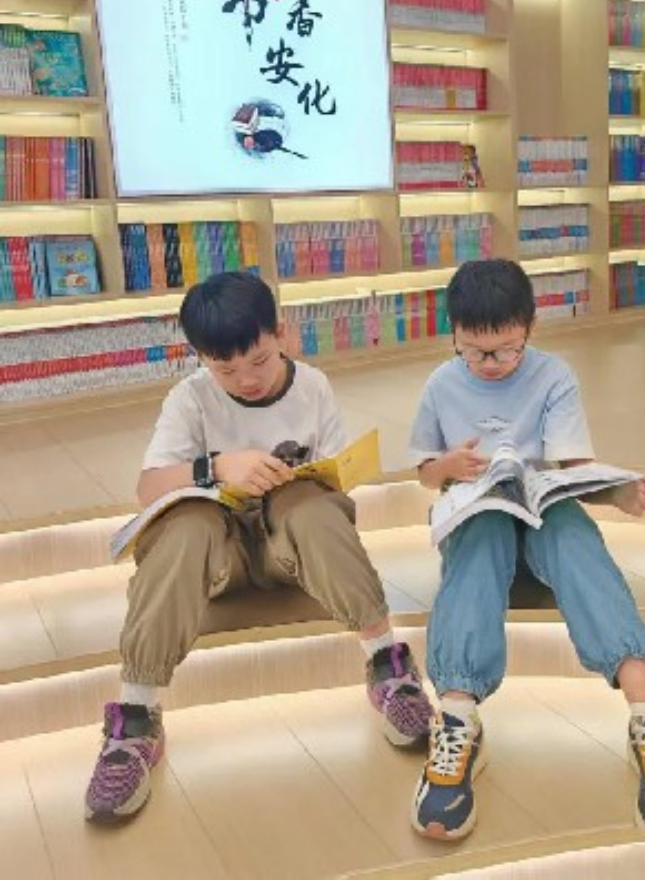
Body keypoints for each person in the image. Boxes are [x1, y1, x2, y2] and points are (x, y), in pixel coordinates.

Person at [85, 271, 432, 824]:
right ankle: (136, 718)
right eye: (225, 369)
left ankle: (388, 665)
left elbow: (337, 478)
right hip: (217, 561)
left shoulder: (312, 387)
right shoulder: (191, 398)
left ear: (282, 333)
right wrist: (218, 467)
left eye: (260, 361)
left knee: (311, 505)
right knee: (185, 521)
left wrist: (300, 484)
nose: (246, 379)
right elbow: (149, 489)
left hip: (287, 551)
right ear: (201, 358)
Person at [408, 258, 645, 844]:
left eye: (506, 349)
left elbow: (572, 469)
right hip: (479, 517)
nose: (491, 363)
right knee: (482, 532)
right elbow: (423, 472)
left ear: (530, 329)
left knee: (570, 531)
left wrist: (617, 492)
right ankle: (459, 719)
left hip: (544, 513)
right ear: (454, 333)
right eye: (474, 351)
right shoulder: (441, 384)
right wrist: (448, 467)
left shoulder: (554, 376)